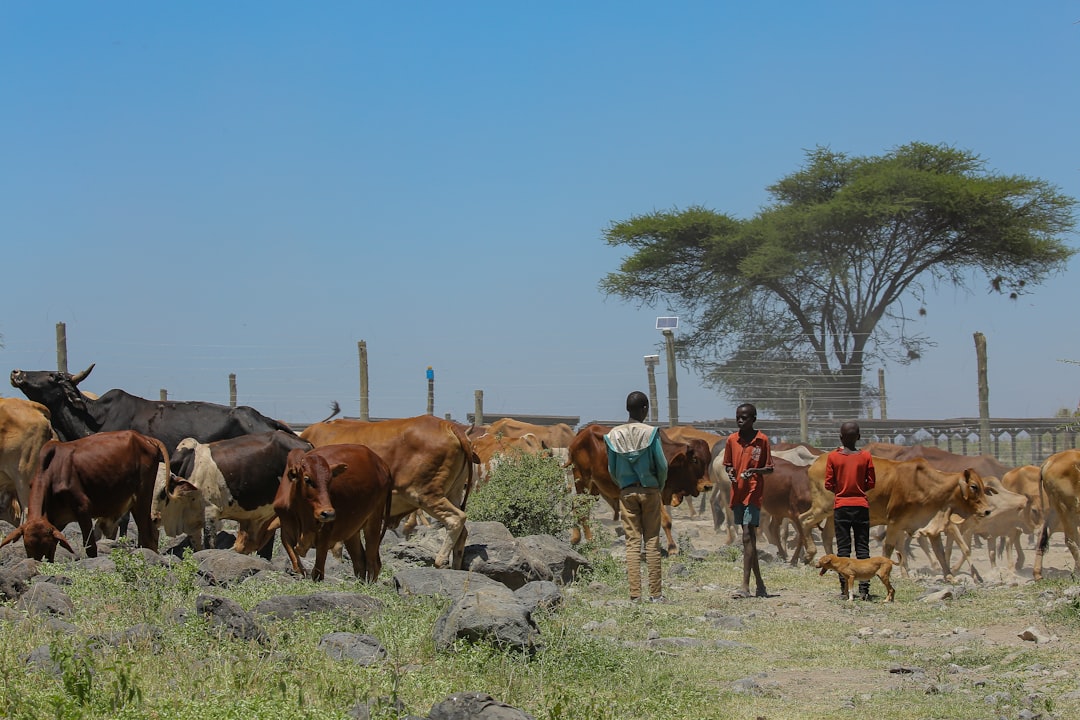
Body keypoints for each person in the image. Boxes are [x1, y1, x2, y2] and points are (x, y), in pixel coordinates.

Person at [605, 391, 669, 603]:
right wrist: (657, 485)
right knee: (652, 540)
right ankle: (656, 594)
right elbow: (661, 465)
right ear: (645, 409)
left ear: (627, 409)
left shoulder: (613, 436)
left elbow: (612, 469)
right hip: (650, 490)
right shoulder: (650, 433)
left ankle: (635, 595)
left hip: (627, 492)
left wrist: (622, 485)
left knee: (632, 542)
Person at [723, 403, 773, 598]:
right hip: (738, 492)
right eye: (738, 417)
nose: (740, 420)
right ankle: (760, 584)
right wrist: (731, 473)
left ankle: (744, 586)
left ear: (753, 419)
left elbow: (769, 468)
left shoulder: (762, 441)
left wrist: (754, 471)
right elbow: (727, 464)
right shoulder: (731, 440)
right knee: (749, 539)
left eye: (744, 417)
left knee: (746, 534)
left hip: (753, 491)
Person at [824, 420, 876, 600]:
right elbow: (871, 483)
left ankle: (845, 589)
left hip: (841, 506)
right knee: (863, 549)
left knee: (843, 550)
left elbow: (828, 483)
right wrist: (857, 490)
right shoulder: (866, 456)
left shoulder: (833, 457)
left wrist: (841, 491)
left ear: (840, 437)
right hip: (861, 506)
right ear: (859, 437)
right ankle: (864, 589)